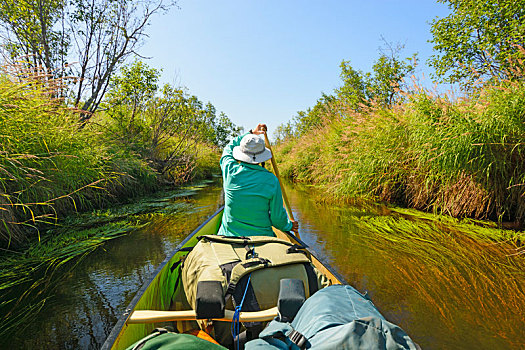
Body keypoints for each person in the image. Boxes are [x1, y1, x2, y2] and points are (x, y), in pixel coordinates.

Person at [218, 123, 298, 237]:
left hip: (229, 236)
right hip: (262, 237)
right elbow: (277, 220)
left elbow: (228, 148)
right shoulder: (272, 181)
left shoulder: (230, 171)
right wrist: (289, 225)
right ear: (262, 158)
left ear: (241, 154)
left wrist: (251, 133)